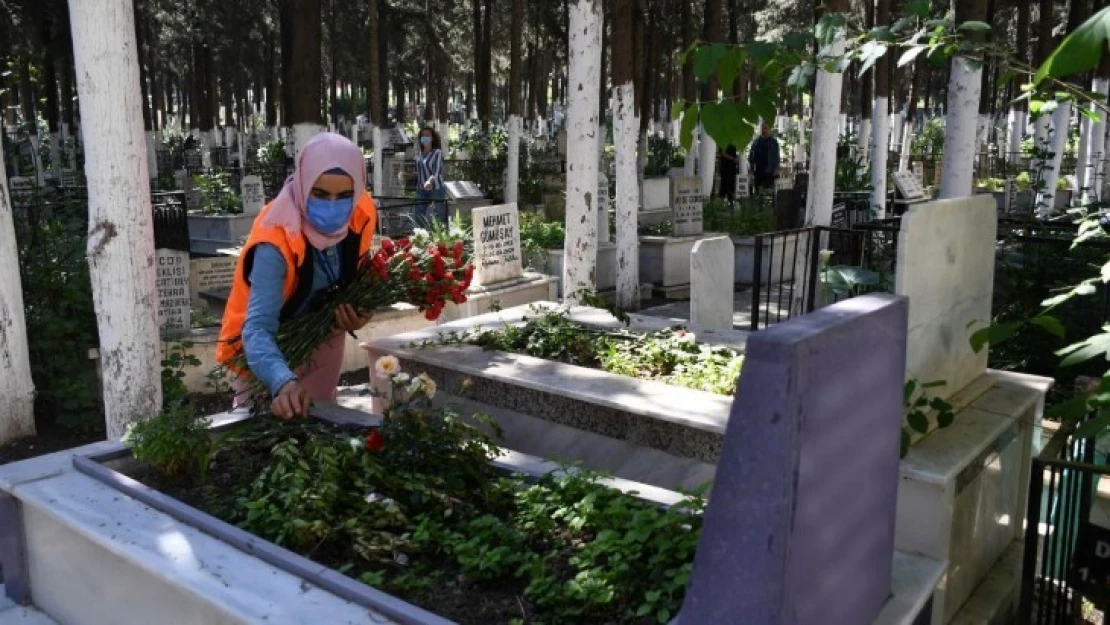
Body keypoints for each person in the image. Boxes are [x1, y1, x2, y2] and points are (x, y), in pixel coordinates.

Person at [217, 132, 378, 420]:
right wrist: (282, 382)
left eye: (343, 196)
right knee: (260, 437)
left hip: (322, 336)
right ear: (304, 185)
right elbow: (257, 329)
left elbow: (356, 275)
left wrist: (360, 311)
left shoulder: (361, 212)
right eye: (320, 194)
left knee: (322, 423)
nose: (332, 206)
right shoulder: (275, 239)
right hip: (264, 354)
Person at [414, 127, 445, 226]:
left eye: (427, 135)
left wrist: (430, 181)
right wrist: (409, 176)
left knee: (438, 216)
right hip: (421, 188)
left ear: (432, 138)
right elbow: (420, 172)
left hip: (436, 188)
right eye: (423, 135)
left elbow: (437, 171)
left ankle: (441, 238)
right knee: (419, 216)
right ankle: (420, 236)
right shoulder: (419, 155)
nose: (425, 137)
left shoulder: (437, 153)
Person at [748, 123, 781, 194]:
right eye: (763, 128)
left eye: (766, 128)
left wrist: (776, 169)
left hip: (770, 170)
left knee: (769, 191)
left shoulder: (774, 142)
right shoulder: (756, 142)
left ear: (770, 130)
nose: (764, 130)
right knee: (758, 190)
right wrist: (751, 167)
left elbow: (777, 156)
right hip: (758, 170)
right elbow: (751, 155)